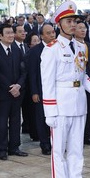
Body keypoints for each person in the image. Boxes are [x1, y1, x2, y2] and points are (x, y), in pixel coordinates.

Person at [40, 1, 90, 178]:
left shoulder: (80, 47)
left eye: (74, 21)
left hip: (79, 104)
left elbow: (82, 75)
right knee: (59, 150)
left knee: (77, 149)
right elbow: (47, 82)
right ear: (59, 24)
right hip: (60, 105)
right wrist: (50, 111)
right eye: (68, 21)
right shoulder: (51, 49)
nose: (72, 25)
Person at [0, 23, 28, 160]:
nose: (11, 35)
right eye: (8, 33)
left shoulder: (17, 50)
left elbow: (24, 71)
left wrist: (18, 85)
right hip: (2, 93)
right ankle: (2, 149)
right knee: (1, 122)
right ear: (0, 36)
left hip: (17, 92)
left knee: (16, 120)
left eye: (12, 33)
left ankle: (14, 147)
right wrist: (10, 87)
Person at [28, 23, 56, 155]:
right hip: (41, 90)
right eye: (48, 33)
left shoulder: (59, 48)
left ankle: (55, 142)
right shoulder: (35, 51)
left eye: (53, 32)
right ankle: (44, 144)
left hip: (56, 89)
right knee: (41, 117)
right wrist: (34, 91)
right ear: (42, 36)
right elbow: (32, 73)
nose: (52, 35)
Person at [74, 20, 90, 146]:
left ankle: (87, 135)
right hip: (77, 83)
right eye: (80, 28)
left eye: (84, 28)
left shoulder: (88, 45)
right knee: (78, 110)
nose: (83, 30)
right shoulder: (72, 45)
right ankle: (76, 137)